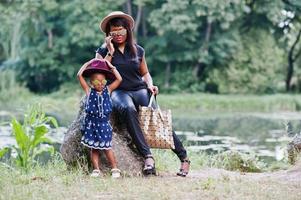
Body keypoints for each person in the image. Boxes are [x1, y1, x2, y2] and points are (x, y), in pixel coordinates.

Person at [95, 11, 190, 177]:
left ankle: (184, 158)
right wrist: (109, 51)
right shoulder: (102, 51)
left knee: (157, 119)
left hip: (139, 89)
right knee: (128, 109)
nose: (118, 35)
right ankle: (148, 157)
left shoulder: (138, 50)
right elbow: (99, 73)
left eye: (121, 31)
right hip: (118, 91)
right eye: (114, 33)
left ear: (127, 31)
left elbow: (145, 73)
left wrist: (151, 85)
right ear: (108, 34)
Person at [77, 58, 123, 178]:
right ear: (92, 83)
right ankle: (96, 169)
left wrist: (111, 67)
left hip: (104, 124)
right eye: (97, 82)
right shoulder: (89, 91)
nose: (101, 84)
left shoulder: (108, 90)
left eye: (103, 82)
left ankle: (115, 169)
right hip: (92, 124)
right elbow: (79, 75)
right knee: (94, 148)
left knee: (107, 147)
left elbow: (119, 79)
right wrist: (87, 64)